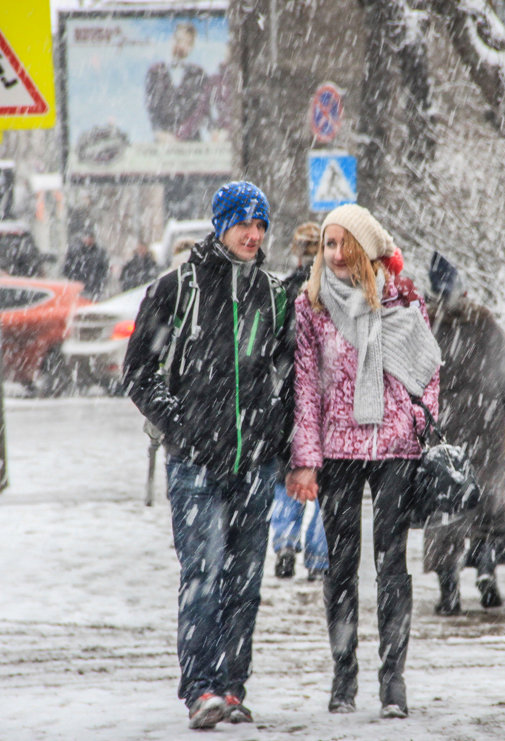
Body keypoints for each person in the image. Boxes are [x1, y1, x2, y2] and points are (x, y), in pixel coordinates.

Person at [122, 181, 293, 730]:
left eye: (261, 224)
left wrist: (277, 437)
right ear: (219, 225)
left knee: (244, 582)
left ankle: (232, 688)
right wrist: (182, 425)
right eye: (243, 222)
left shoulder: (273, 295)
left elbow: (290, 378)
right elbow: (138, 373)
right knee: (203, 573)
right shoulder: (179, 287)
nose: (253, 233)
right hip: (195, 463)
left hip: (255, 462)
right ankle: (200, 690)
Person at [287, 204, 441, 720]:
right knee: (341, 566)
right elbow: (305, 388)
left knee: (391, 564)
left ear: (366, 248)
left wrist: (420, 421)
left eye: (342, 244)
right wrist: (305, 458)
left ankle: (393, 679)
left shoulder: (402, 300)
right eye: (328, 245)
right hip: (338, 450)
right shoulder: (311, 306)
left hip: (395, 448)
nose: (333, 255)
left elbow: (430, 368)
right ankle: (343, 675)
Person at [421, 252, 505, 615]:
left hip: (443, 431)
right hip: (486, 428)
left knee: (445, 511)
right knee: (487, 508)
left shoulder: (424, 323)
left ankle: (448, 592)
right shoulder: (483, 322)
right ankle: (485, 570)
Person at [270, 222, 328, 581]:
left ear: (295, 251)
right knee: (325, 485)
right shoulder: (332, 292)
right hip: (323, 404)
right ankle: (319, 559)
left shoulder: (284, 293)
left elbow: (272, 348)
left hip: (288, 403)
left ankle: (285, 542)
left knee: (287, 477)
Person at [145, 21, 210, 142]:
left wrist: (182, 134)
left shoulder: (199, 73)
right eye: (180, 40)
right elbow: (152, 107)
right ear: (172, 40)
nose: (182, 46)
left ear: (192, 47)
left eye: (188, 42)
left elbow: (202, 109)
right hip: (163, 142)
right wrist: (160, 132)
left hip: (192, 144)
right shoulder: (155, 72)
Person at [62, 229, 110, 300]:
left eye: (91, 238)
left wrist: (99, 282)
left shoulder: (100, 252)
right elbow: (67, 269)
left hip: (94, 288)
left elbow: (104, 269)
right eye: (87, 237)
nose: (89, 240)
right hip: (79, 288)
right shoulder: (75, 252)